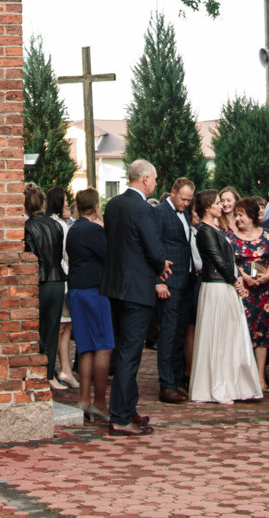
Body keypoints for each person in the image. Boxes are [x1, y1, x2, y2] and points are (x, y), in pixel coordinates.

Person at [101, 159, 171, 436]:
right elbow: (153, 249)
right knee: (130, 354)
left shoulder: (113, 205)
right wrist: (161, 266)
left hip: (115, 285)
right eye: (154, 179)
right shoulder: (143, 208)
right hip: (136, 289)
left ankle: (127, 409)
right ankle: (120, 417)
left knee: (123, 350)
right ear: (144, 179)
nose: (155, 183)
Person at [189, 189, 264, 403]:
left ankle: (234, 384)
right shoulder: (204, 231)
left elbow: (227, 259)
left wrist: (235, 279)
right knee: (218, 336)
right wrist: (235, 281)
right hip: (216, 287)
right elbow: (217, 259)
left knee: (230, 336)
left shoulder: (217, 228)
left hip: (225, 285)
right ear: (207, 207)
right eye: (216, 203)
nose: (220, 206)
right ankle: (216, 386)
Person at [66, 190, 115, 423]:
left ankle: (84, 400)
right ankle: (100, 403)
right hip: (94, 291)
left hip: (76, 290)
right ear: (96, 208)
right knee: (104, 346)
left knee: (85, 347)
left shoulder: (72, 229)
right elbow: (110, 257)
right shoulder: (95, 230)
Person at [155, 177, 200, 405]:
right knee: (169, 334)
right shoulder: (160, 212)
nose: (186, 203)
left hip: (186, 281)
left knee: (180, 334)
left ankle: (176, 381)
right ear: (172, 192)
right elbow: (153, 247)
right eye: (183, 199)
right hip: (169, 281)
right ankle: (166, 384)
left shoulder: (184, 214)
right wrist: (157, 281)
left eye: (189, 200)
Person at [23, 184, 67, 391]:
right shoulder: (56, 225)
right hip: (57, 280)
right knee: (52, 329)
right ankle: (48, 374)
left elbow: (31, 257)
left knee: (36, 330)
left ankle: (36, 374)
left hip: (39, 282)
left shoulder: (28, 227)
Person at [230, 197, 269, 386]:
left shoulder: (267, 235)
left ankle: (259, 376)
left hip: (264, 291)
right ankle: (243, 376)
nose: (238, 219)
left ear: (251, 215)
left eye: (241, 215)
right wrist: (243, 275)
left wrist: (268, 275)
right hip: (243, 292)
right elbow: (230, 262)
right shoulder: (231, 238)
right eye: (236, 215)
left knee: (263, 333)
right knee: (244, 332)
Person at [48, 187, 79, 390]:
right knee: (61, 327)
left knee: (66, 326)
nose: (67, 204)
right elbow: (67, 255)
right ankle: (57, 369)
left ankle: (65, 369)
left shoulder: (55, 223)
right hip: (62, 278)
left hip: (61, 278)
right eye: (65, 201)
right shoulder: (59, 225)